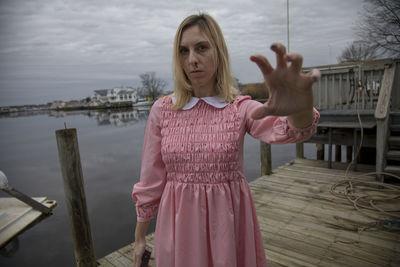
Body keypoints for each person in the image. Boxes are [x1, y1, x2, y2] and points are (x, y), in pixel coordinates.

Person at [132, 13, 320, 267]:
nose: (192, 60)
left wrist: (299, 108)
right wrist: (140, 236)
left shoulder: (238, 108)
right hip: (178, 228)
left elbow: (290, 130)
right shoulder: (163, 110)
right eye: (183, 51)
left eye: (201, 47)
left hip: (227, 228)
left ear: (218, 51)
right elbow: (151, 180)